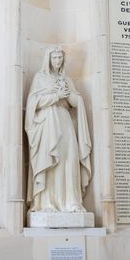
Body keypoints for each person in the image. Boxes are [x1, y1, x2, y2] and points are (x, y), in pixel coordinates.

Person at [25, 46, 92, 213]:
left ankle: (71, 202)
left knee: (69, 157)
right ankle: (47, 203)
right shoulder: (39, 78)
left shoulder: (67, 79)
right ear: (48, 59)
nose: (58, 61)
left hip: (64, 120)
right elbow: (34, 103)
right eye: (55, 58)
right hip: (48, 122)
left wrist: (70, 95)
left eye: (60, 58)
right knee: (50, 158)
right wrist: (56, 96)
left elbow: (75, 103)